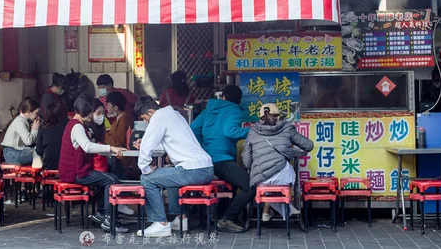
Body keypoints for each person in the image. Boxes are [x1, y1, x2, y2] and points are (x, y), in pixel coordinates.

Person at [134, 96, 214, 238]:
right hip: (206, 168)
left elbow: (148, 145)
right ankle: (180, 219)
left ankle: (161, 223)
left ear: (151, 112)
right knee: (169, 177)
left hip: (192, 170)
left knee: (147, 179)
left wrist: (145, 169)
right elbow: (169, 141)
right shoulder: (174, 114)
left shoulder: (158, 118)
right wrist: (146, 144)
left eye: (145, 118)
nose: (146, 122)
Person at [58, 94, 126, 233]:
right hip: (75, 172)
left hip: (75, 170)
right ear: (83, 112)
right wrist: (111, 148)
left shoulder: (76, 124)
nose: (92, 116)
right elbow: (88, 146)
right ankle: (109, 219)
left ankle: (102, 214)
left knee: (106, 177)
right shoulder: (76, 126)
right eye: (90, 113)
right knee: (112, 179)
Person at [190, 85, 252, 233]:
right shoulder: (234, 110)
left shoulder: (207, 111)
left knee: (233, 184)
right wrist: (255, 130)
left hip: (207, 160)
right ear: (239, 100)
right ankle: (226, 219)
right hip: (221, 160)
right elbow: (231, 131)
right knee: (250, 186)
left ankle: (218, 216)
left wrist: (202, 149)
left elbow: (192, 129)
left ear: (222, 96)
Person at [243, 103, 314, 221]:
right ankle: (285, 209)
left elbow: (247, 162)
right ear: (279, 116)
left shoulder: (253, 132)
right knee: (286, 172)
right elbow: (309, 145)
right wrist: (288, 150)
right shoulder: (287, 128)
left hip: (261, 180)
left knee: (269, 181)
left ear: (260, 118)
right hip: (283, 178)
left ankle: (268, 210)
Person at [1, 97, 40, 165]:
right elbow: (28, 141)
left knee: (38, 151)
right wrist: (35, 129)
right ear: (29, 112)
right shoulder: (20, 121)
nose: (37, 116)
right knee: (39, 153)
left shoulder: (23, 120)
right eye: (36, 113)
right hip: (12, 154)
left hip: (15, 152)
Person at [35, 102, 68, 170]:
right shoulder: (69, 125)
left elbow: (38, 150)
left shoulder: (43, 127)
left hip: (49, 166)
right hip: (66, 165)